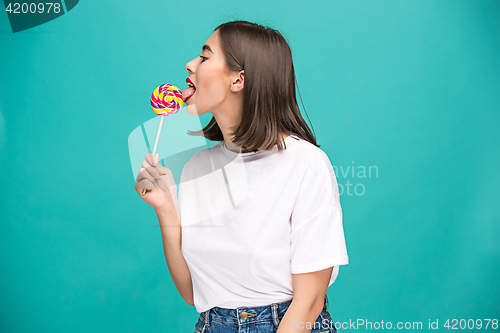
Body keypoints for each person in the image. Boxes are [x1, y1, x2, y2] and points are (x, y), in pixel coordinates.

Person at [135, 20, 348, 333]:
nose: (189, 65)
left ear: (238, 79)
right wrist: (166, 209)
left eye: (204, 57)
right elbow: (194, 294)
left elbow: (309, 302)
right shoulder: (196, 166)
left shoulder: (305, 163)